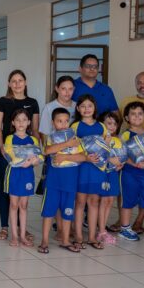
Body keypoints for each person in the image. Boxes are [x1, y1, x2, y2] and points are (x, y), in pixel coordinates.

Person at [0, 70, 39, 241]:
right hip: (7, 154)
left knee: (22, 191)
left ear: (25, 82)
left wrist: (37, 152)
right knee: (6, 189)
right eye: (14, 81)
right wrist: (2, 148)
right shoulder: (2, 101)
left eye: (20, 80)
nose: (17, 84)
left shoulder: (32, 103)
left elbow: (35, 129)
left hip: (26, 156)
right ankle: (5, 227)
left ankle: (21, 229)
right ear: (9, 84)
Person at [41, 107, 85, 253]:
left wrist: (66, 156)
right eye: (59, 121)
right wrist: (66, 145)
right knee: (49, 211)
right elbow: (47, 150)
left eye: (66, 121)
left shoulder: (75, 138)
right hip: (53, 182)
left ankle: (65, 240)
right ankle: (44, 241)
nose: (64, 124)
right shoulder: (51, 137)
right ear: (53, 123)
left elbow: (82, 157)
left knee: (68, 211)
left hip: (70, 181)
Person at [118, 102, 144, 242]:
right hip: (130, 174)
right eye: (133, 114)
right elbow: (121, 155)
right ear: (127, 117)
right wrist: (135, 164)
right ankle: (125, 228)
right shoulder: (125, 135)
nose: (137, 116)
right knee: (128, 200)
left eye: (140, 113)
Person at [2, 109, 43, 247]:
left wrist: (32, 162)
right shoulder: (9, 138)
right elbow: (10, 155)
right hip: (14, 174)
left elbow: (39, 157)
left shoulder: (33, 139)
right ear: (13, 122)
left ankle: (23, 235)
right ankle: (14, 236)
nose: (21, 123)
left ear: (29, 122)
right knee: (14, 205)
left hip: (27, 174)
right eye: (18, 120)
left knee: (24, 205)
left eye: (24, 120)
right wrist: (26, 160)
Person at [70, 94, 105, 249]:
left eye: (90, 106)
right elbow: (71, 148)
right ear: (78, 108)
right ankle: (78, 236)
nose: (86, 109)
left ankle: (91, 237)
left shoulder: (101, 126)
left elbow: (106, 148)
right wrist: (85, 157)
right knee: (80, 202)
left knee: (94, 201)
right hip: (81, 168)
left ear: (95, 108)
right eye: (83, 106)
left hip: (97, 169)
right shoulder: (75, 126)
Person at [37, 75, 77, 196]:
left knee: (69, 191)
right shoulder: (49, 108)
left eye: (70, 89)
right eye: (63, 88)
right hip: (55, 155)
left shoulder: (77, 107)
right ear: (57, 89)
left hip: (73, 155)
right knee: (53, 191)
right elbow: (44, 133)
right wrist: (47, 153)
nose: (67, 92)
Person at [98, 111, 124, 245]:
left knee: (109, 201)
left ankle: (103, 228)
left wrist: (121, 164)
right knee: (103, 201)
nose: (112, 126)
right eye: (109, 123)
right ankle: (101, 230)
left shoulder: (118, 140)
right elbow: (97, 155)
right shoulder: (99, 139)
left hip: (113, 173)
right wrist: (109, 159)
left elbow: (122, 156)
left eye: (115, 124)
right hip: (102, 173)